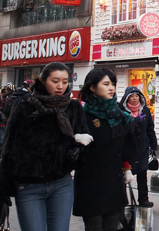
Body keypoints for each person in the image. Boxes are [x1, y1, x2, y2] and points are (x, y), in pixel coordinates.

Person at [0, 63, 92, 231]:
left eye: (65, 82)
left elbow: (83, 148)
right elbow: (10, 148)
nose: (60, 86)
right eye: (55, 81)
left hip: (61, 183)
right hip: (28, 186)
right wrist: (4, 187)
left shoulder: (73, 107)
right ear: (42, 80)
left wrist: (76, 147)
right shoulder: (24, 107)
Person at [74, 68, 137, 231]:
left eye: (113, 84)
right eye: (106, 84)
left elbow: (123, 144)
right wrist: (74, 139)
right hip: (91, 184)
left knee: (112, 226)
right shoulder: (81, 114)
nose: (111, 88)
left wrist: (127, 167)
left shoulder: (118, 112)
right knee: (94, 226)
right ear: (92, 87)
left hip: (114, 184)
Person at [118, 87, 157, 207]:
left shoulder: (145, 110)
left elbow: (150, 128)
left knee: (142, 174)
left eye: (137, 96)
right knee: (125, 174)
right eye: (132, 96)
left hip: (143, 147)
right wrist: (134, 121)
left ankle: (143, 199)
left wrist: (153, 145)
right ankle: (122, 201)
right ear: (127, 98)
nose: (135, 98)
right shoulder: (121, 110)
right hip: (127, 147)